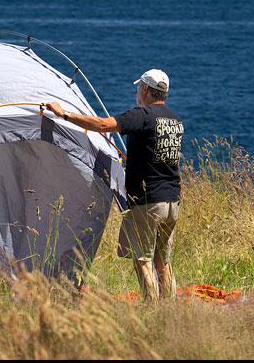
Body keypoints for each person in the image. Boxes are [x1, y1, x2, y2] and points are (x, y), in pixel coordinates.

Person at [45, 69, 184, 301]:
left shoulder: (142, 115)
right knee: (163, 260)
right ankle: (170, 308)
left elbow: (101, 124)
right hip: (172, 200)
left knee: (143, 259)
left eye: (139, 87)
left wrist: (64, 114)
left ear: (146, 89)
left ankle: (152, 310)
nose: (137, 92)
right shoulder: (175, 121)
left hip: (148, 201)